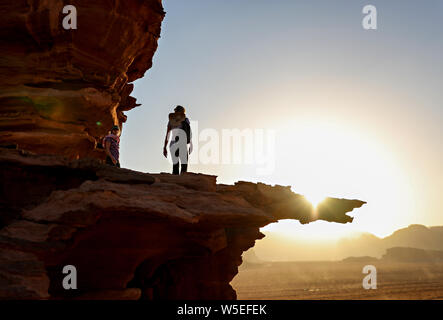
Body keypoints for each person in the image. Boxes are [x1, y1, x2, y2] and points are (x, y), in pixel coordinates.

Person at [163, 105, 193, 175]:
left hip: (173, 144)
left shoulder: (171, 120)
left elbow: (167, 134)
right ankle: (181, 182)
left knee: (175, 166)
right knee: (184, 166)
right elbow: (188, 132)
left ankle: (176, 181)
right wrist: (190, 144)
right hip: (182, 142)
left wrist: (164, 147)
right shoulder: (186, 119)